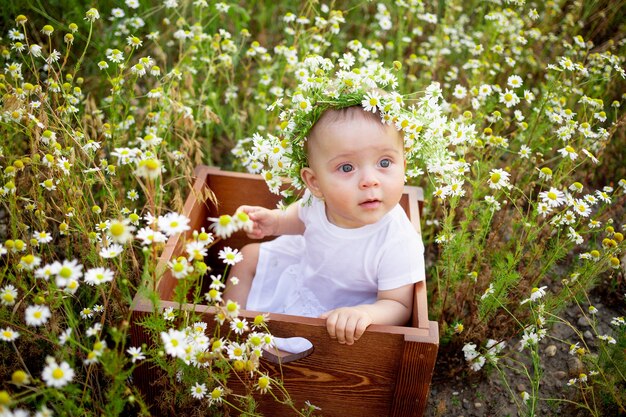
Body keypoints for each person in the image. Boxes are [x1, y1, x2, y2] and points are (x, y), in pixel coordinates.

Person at [226, 105, 425, 345]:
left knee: (302, 347)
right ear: (315, 182)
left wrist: (364, 314)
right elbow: (299, 217)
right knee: (247, 255)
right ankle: (230, 329)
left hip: (338, 313)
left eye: (384, 162)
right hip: (305, 271)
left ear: (403, 165)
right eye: (347, 167)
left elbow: (399, 304)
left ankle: (249, 344)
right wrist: (276, 222)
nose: (370, 181)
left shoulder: (398, 240)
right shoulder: (318, 202)